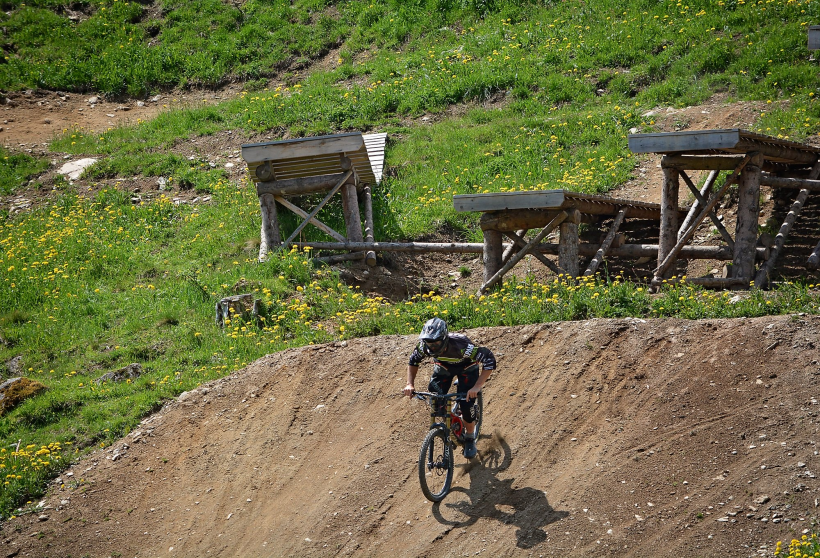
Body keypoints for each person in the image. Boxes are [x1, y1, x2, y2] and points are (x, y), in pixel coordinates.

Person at [403, 317, 496, 459]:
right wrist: (410, 384)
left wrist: (477, 387)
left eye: (436, 343)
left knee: (466, 404)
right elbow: (413, 361)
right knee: (436, 402)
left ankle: (470, 438)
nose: (432, 347)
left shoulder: (462, 345)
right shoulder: (423, 347)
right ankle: (451, 426)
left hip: (467, 368)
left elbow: (489, 359)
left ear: (445, 338)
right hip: (444, 368)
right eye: (429, 342)